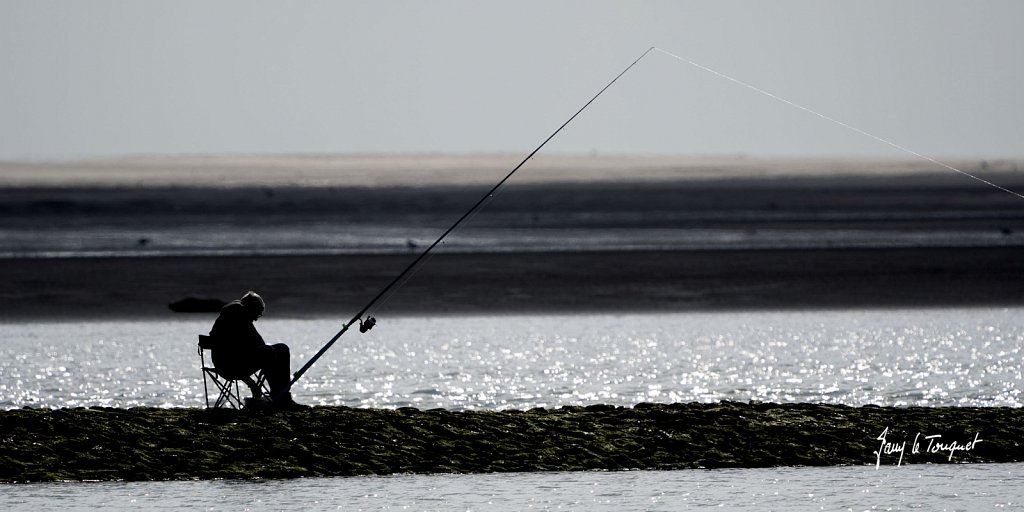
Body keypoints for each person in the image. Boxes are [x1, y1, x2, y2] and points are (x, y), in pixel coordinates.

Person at [209, 291, 303, 410]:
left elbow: (257, 344)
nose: (256, 319)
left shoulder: (238, 314)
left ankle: (282, 396)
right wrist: (252, 383)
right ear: (251, 308)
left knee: (281, 348)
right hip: (230, 366)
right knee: (271, 351)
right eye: (257, 315)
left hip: (235, 362)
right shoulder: (238, 315)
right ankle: (281, 397)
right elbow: (236, 354)